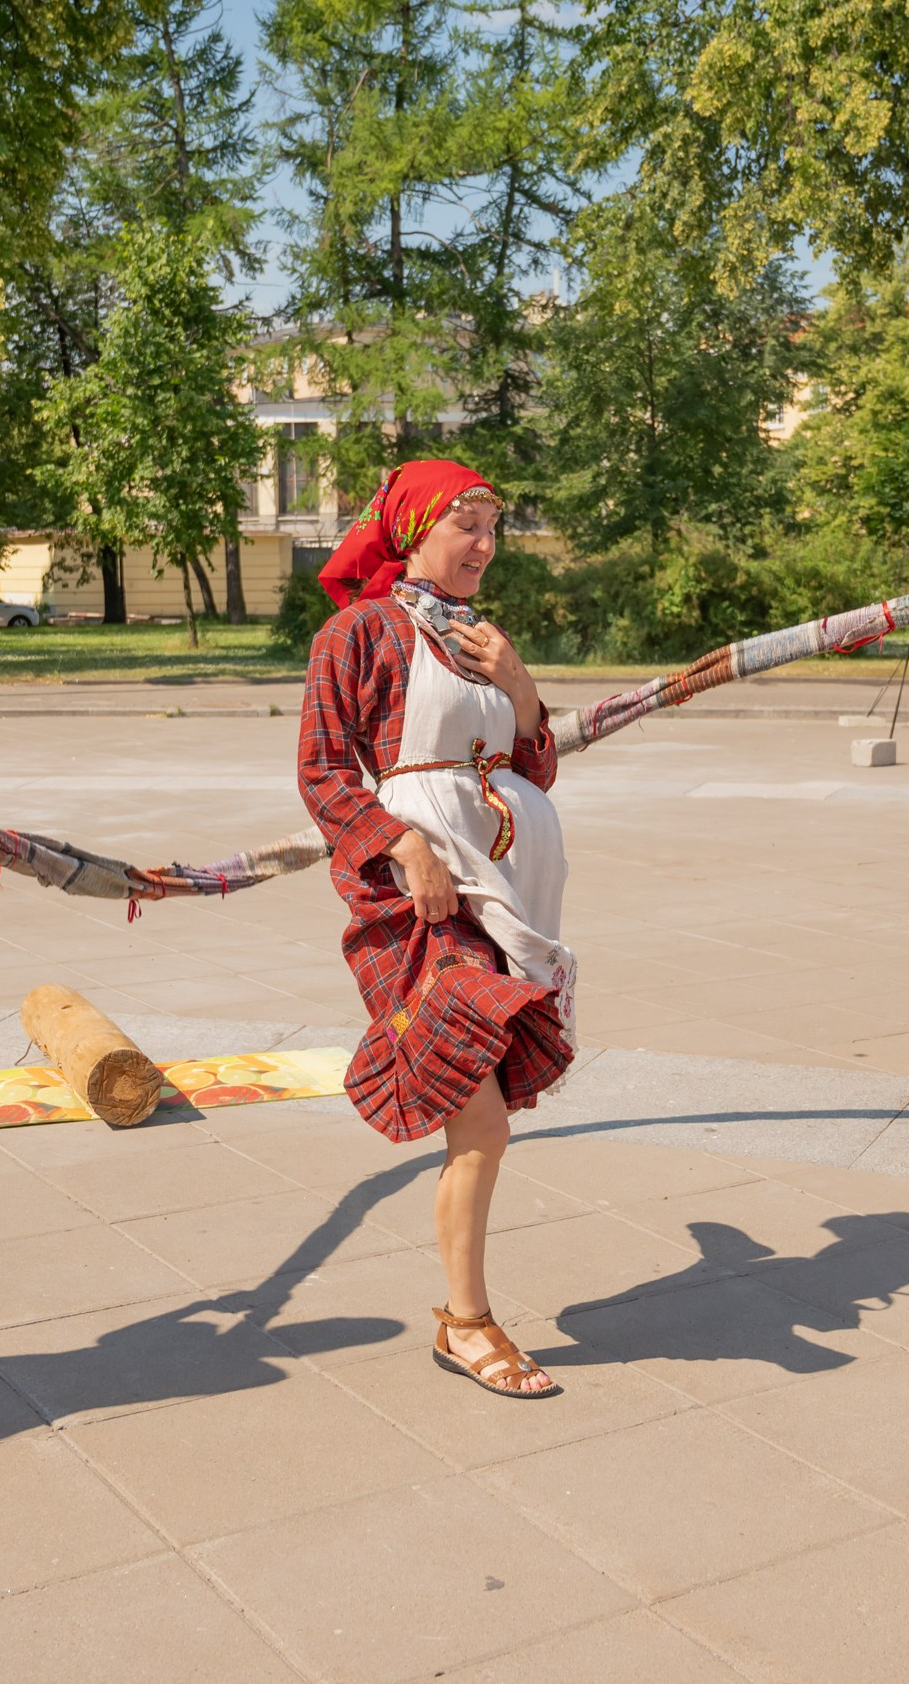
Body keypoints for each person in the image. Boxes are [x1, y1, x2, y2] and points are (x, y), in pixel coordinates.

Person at [298, 458, 573, 1398]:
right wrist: (404, 845)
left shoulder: (483, 642)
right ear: (414, 527)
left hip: (503, 891)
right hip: (417, 902)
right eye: (468, 525)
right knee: (483, 1122)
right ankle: (466, 1321)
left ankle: (464, 1318)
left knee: (482, 1123)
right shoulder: (359, 632)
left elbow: (531, 764)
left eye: (495, 526)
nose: (486, 546)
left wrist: (523, 685)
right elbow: (324, 773)